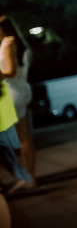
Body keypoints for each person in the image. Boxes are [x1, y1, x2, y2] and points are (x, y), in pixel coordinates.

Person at [0, 18, 34, 186]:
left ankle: (27, 178)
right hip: (21, 91)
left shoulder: (7, 43)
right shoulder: (21, 45)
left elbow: (10, 71)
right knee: (25, 138)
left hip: (11, 94)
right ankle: (30, 178)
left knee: (22, 140)